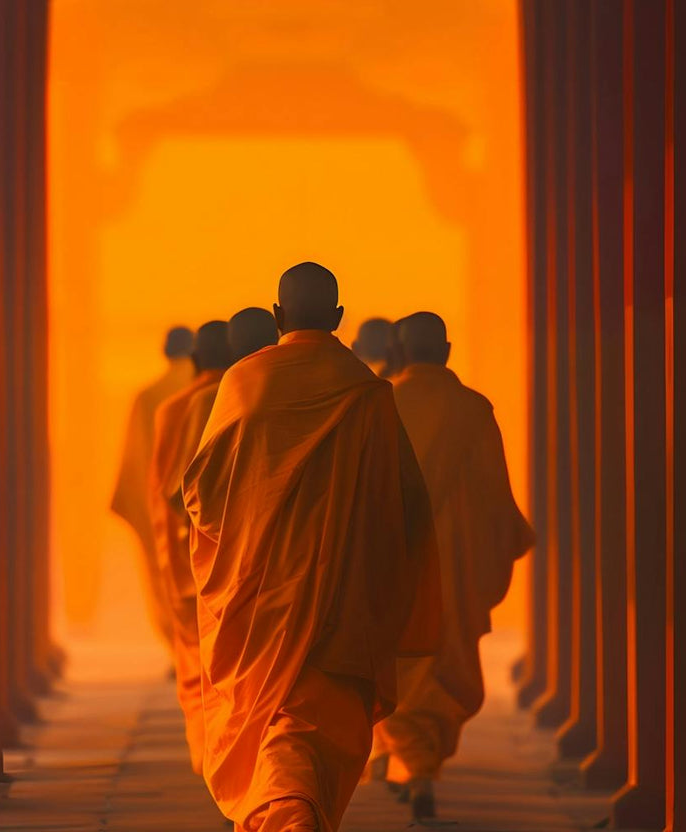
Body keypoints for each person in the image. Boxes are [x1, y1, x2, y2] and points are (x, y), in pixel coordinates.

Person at [183, 263, 442, 832]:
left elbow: (200, 496)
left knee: (280, 717)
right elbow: (407, 508)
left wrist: (246, 537)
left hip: (259, 596)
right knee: (310, 722)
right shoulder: (369, 397)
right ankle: (296, 815)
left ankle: (289, 815)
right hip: (344, 601)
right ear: (339, 318)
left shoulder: (243, 386)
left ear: (277, 317)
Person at [373, 312, 535, 819]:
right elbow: (493, 496)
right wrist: (505, 539)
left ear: (400, 350)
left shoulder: (381, 407)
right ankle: (420, 767)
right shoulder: (472, 409)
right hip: (457, 568)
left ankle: (409, 761)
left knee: (394, 664)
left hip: (395, 568)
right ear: (445, 349)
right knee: (443, 664)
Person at [149, 320, 232, 774]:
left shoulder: (172, 407)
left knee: (204, 671)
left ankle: (214, 760)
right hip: (255, 567)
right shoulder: (253, 398)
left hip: (191, 560)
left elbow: (166, 493)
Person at [111, 326, 193, 647]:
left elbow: (135, 461)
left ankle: (179, 651)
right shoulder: (219, 390)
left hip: (159, 506)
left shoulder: (148, 397)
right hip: (208, 506)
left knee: (166, 582)